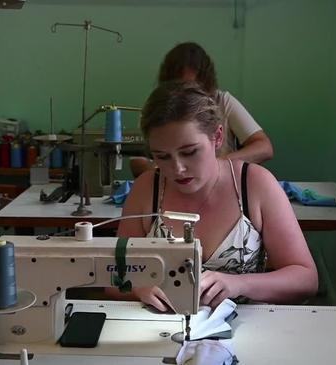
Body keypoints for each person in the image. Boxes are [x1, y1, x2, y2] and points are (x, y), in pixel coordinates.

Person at [113, 81, 317, 311]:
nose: (177, 168)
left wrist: (240, 284)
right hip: (162, 329)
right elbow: (114, 276)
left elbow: (305, 278)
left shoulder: (255, 185)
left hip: (247, 330)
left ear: (217, 137)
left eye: (189, 152)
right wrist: (138, 288)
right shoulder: (146, 190)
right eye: (162, 157)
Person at [130, 42, 274, 177]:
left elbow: (263, 147)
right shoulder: (159, 107)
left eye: (190, 151)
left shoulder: (222, 101)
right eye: (178, 86)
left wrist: (216, 164)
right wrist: (164, 171)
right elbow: (138, 160)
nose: (185, 93)